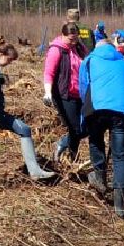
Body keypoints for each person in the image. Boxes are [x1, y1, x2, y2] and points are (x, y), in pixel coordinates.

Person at [0, 43, 54, 190]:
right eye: (9, 60)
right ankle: (34, 171)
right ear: (1, 55)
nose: (9, 63)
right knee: (22, 130)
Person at [80, 31, 124, 218]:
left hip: (96, 110)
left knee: (96, 141)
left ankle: (99, 177)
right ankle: (120, 205)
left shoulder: (89, 60)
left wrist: (84, 116)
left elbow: (83, 88)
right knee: (121, 157)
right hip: (122, 112)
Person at [43, 22, 86, 165]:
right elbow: (49, 73)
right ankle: (72, 157)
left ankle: (66, 148)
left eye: (76, 38)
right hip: (64, 95)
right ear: (63, 36)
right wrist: (47, 92)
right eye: (70, 39)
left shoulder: (79, 47)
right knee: (76, 129)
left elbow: (89, 61)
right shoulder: (56, 50)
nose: (73, 42)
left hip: (80, 94)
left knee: (85, 128)